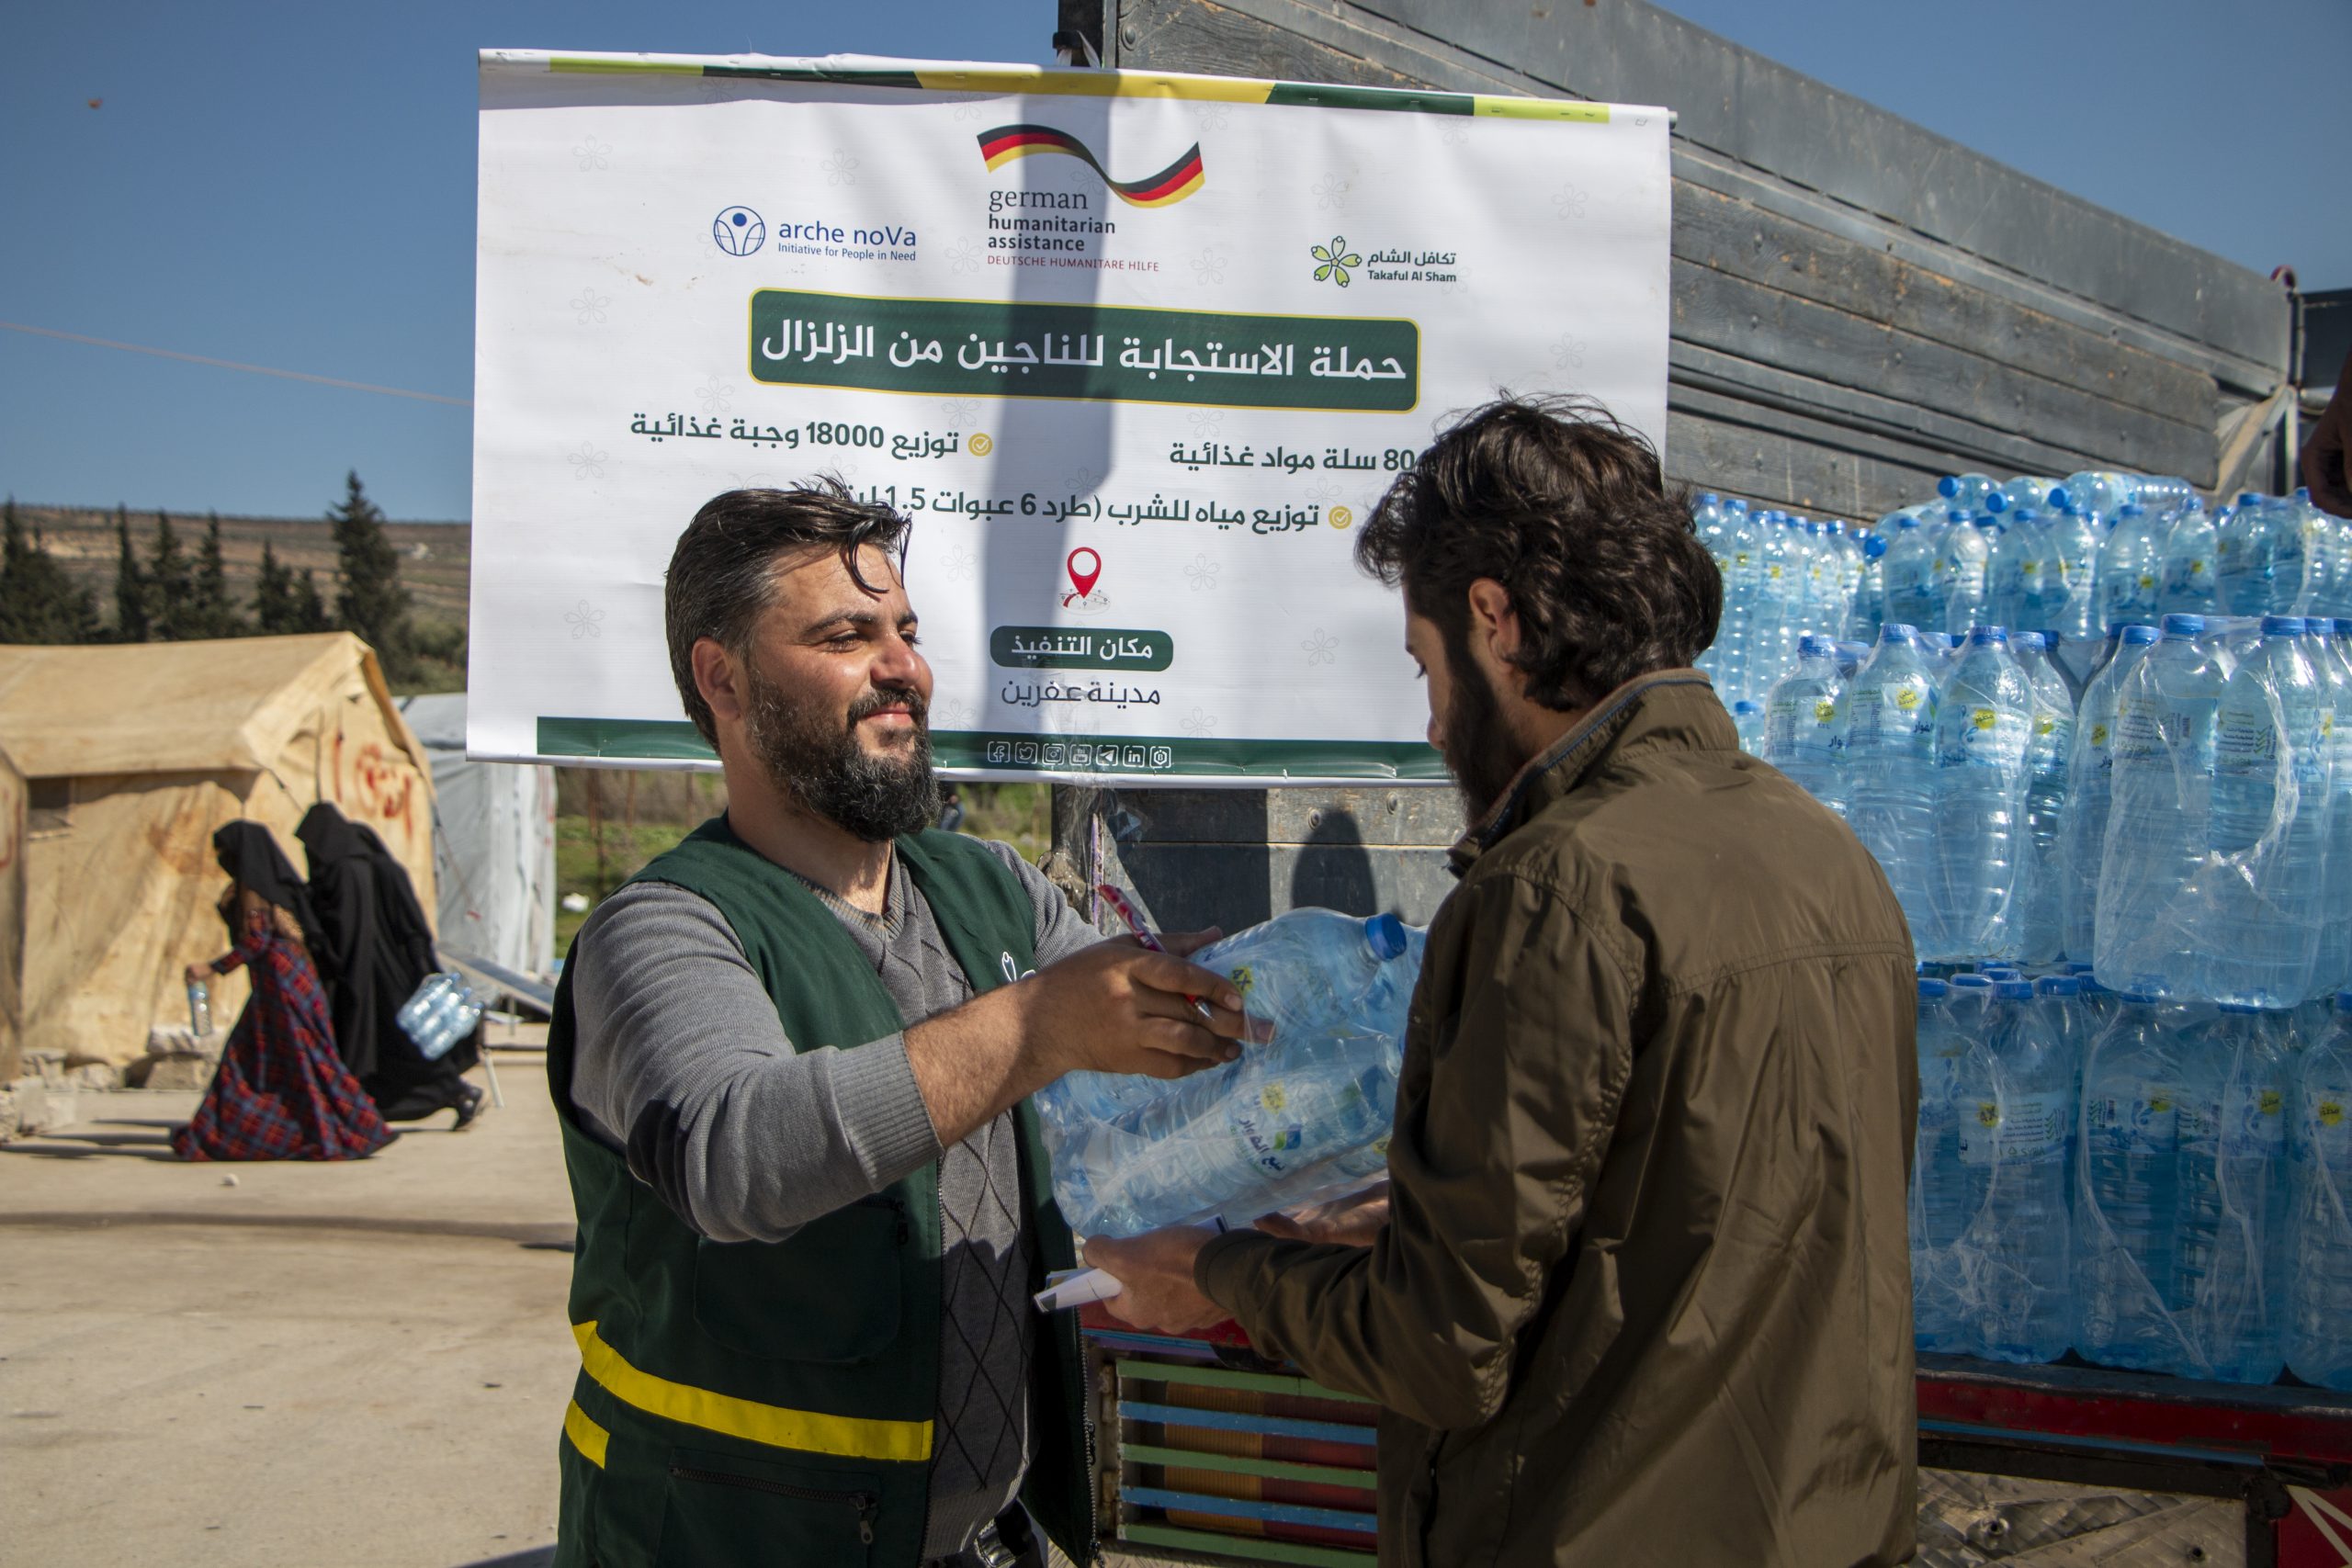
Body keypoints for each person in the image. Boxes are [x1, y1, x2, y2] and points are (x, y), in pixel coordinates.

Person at [1087, 397, 1921, 1567]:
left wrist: (1209, 1271)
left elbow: (1440, 1348)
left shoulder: (1555, 887)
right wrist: (1423, 1220)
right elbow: (1704, 1215)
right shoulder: (1829, 857)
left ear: (1493, 620)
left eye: (1425, 667)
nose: (1434, 723)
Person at [546, 481, 1258, 1568]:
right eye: (846, 637)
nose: (904, 669)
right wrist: (1038, 1026)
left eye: (908, 633)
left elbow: (1159, 1067)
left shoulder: (995, 892)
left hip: (986, 1541)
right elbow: (734, 1156)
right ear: (722, 678)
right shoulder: (659, 930)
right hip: (728, 1540)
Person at [174, 822, 394, 1162]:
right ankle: (332, 1129)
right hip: (293, 983)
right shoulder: (275, 887)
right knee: (292, 1061)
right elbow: (292, 934)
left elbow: (257, 941)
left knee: (285, 1061)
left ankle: (356, 1129)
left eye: (224, 852)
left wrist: (212, 968)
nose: (221, 859)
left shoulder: (253, 890)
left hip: (280, 990)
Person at [298, 801, 484, 1130]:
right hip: (389, 970)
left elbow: (353, 929)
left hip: (380, 974)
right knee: (398, 1045)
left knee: (403, 1043)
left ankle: (456, 1092)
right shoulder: (372, 867)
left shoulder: (352, 872)